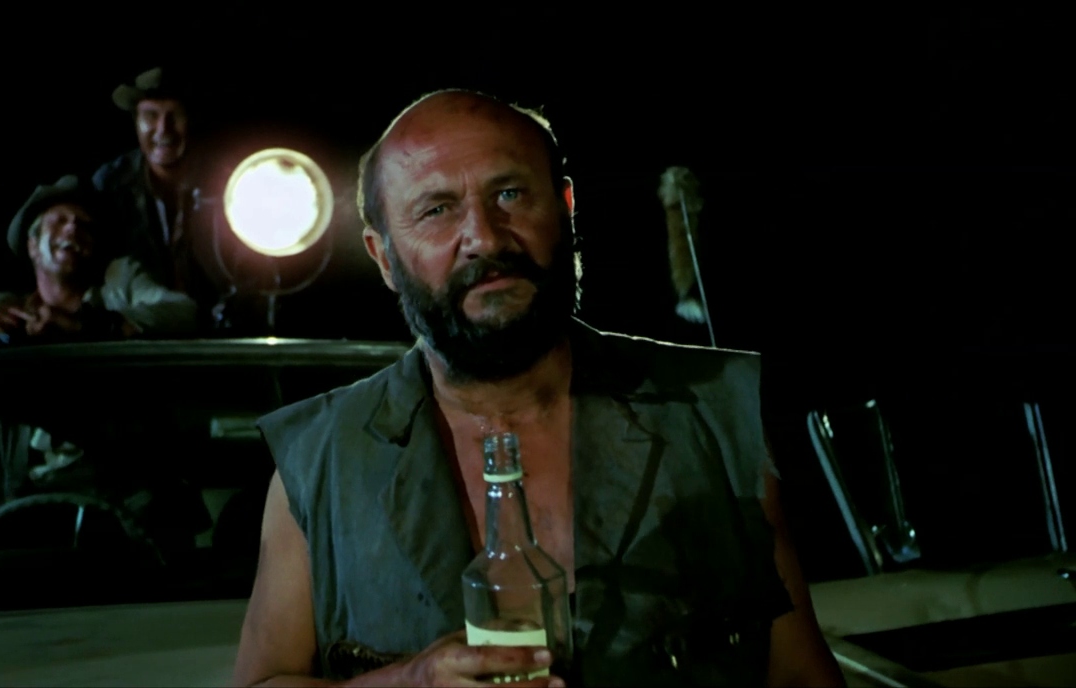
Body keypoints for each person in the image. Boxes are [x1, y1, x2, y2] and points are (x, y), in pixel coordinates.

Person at [231, 90, 845, 687]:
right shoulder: (319, 463)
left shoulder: (712, 415)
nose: (485, 238)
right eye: (437, 210)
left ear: (565, 207)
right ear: (384, 257)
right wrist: (410, 682)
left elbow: (797, 672)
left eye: (510, 194)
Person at [0, 175, 198, 385]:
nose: (72, 229)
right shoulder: (3, 309)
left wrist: (89, 326)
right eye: (59, 222)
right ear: (33, 247)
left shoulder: (119, 284)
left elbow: (186, 313)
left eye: (85, 225)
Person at [92, 66, 223, 322]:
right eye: (151, 116)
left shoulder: (226, 182)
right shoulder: (109, 183)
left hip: (218, 327)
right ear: (135, 123)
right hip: (139, 328)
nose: (164, 129)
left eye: (175, 115)